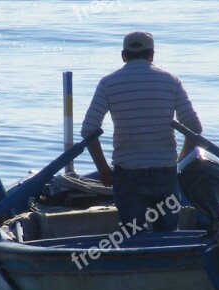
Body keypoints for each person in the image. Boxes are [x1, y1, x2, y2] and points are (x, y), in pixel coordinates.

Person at [80, 31, 202, 232]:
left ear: (123, 55)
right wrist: (179, 162)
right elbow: (195, 128)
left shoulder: (108, 83)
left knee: (132, 235)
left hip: (128, 173)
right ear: (152, 54)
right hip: (165, 171)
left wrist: (103, 169)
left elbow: (89, 130)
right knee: (168, 235)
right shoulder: (171, 81)